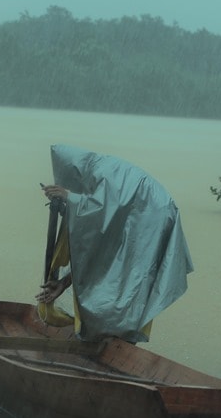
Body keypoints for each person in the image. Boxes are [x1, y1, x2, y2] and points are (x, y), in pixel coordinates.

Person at [36, 144, 194, 343]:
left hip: (151, 218)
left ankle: (120, 335)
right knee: (121, 275)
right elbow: (96, 243)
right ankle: (114, 335)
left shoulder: (102, 171)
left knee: (133, 277)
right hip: (144, 215)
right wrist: (63, 283)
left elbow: (102, 213)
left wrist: (70, 197)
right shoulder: (99, 170)